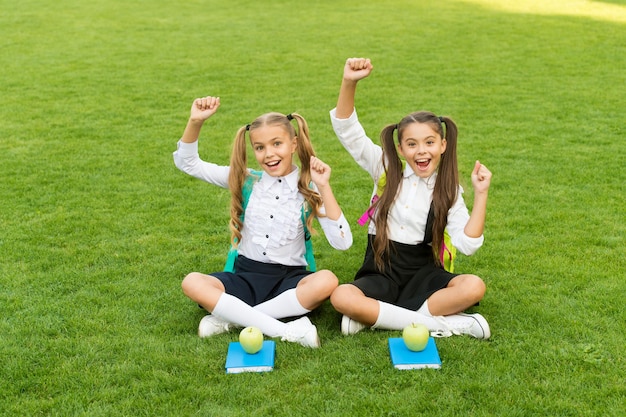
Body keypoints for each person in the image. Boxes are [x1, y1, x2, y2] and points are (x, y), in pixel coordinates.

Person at [329, 58, 492, 339]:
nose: (421, 151)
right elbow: (347, 130)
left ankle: (373, 317)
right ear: (401, 149)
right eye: (411, 144)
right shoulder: (385, 168)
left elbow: (468, 245)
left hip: (424, 273)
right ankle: (441, 323)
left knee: (474, 286)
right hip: (381, 270)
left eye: (429, 142)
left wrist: (481, 195)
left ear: (443, 145)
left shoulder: (448, 190)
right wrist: (349, 82)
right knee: (342, 296)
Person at [174, 96, 352, 347]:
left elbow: (343, 242)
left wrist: (324, 186)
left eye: (276, 143)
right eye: (259, 147)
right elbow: (187, 163)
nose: (269, 154)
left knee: (327, 281)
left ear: (293, 144)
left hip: (288, 282)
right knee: (192, 282)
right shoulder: (246, 180)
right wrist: (195, 121)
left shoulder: (309, 188)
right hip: (244, 277)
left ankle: (232, 319)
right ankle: (285, 329)